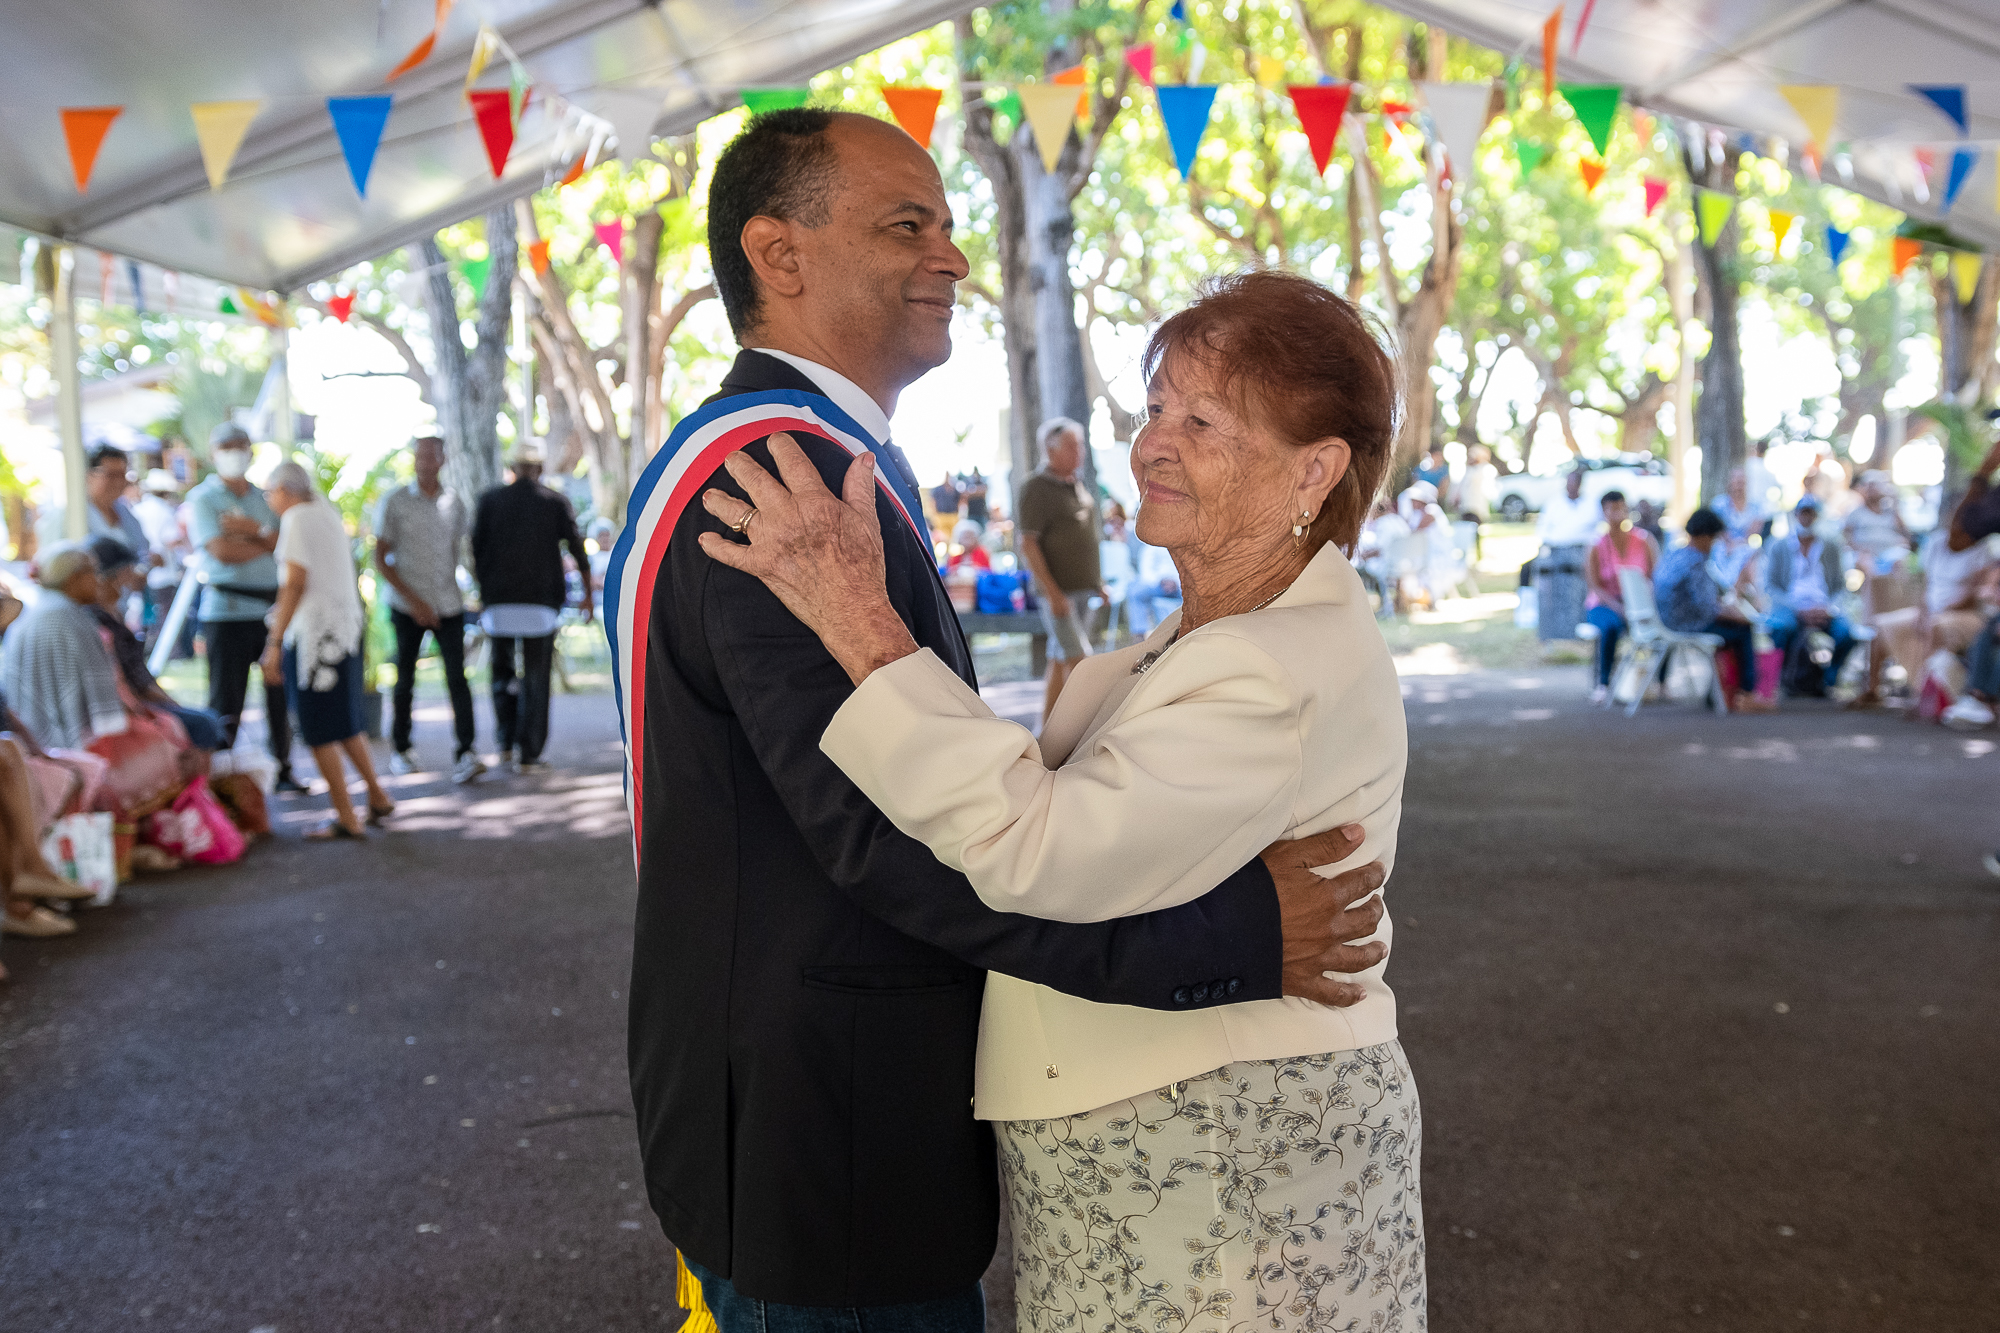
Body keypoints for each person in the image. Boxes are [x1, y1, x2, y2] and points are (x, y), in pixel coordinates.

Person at [607, 108, 1391, 1331]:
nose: (954, 256)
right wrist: (1228, 937)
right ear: (780, 254)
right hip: (828, 1132)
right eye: (906, 224)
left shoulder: (810, 462)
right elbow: (888, 842)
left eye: (949, 224)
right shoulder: (782, 481)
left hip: (822, 1113)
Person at [256, 461, 390, 841]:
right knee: (345, 721)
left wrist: (274, 643)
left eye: (270, 493)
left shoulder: (298, 518)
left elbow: (294, 583)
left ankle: (347, 815)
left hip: (317, 638)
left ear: (285, 490)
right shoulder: (326, 513)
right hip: (342, 631)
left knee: (318, 728)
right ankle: (376, 795)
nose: (270, 501)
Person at [187, 424, 303, 791]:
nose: (234, 452)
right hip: (226, 612)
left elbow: (288, 542)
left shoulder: (266, 497)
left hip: (270, 611)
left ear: (251, 451)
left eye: (241, 446)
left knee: (279, 697)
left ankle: (284, 769)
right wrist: (264, 540)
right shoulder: (203, 499)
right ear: (212, 452)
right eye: (226, 446)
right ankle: (221, 778)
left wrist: (248, 531)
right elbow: (220, 551)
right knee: (227, 702)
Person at [470, 443, 591, 775]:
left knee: (502, 674)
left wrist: (485, 590)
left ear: (513, 467)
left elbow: (475, 551)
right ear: (539, 469)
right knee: (537, 679)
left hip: (499, 603)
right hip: (540, 605)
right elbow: (578, 549)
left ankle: (506, 743)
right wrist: (587, 596)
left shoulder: (489, 501)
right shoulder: (554, 503)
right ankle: (530, 754)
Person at [375, 436, 482, 785]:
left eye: (432, 456)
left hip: (448, 604)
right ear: (413, 459)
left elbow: (463, 553)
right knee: (404, 679)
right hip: (407, 606)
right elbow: (382, 558)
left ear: (442, 460)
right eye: (420, 455)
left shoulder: (454, 503)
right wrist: (415, 601)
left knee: (457, 678)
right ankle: (402, 749)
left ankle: (467, 751)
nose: (425, 462)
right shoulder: (395, 501)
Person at [83, 537, 227, 754]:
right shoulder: (99, 622)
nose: (137, 576)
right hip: (128, 707)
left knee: (207, 720)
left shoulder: (113, 613)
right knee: (204, 724)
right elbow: (131, 686)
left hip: (136, 701)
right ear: (116, 574)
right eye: (130, 570)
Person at [1018, 417, 1105, 722]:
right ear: (1050, 450)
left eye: (1080, 444)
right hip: (1059, 594)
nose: (1078, 451)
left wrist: (1099, 582)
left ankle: (1048, 731)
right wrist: (1053, 594)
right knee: (1081, 662)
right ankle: (1086, 731)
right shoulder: (1036, 488)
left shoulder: (1075, 483)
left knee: (1059, 659)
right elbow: (1028, 544)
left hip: (1084, 590)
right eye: (1071, 445)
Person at [1654, 508, 1774, 713]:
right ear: (1705, 536)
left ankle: (1719, 693)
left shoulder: (1674, 554)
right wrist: (1742, 618)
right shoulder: (1695, 562)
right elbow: (1708, 608)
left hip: (1665, 620)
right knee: (1742, 631)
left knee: (1734, 627)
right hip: (1685, 624)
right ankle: (1746, 693)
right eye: (1714, 539)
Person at [1761, 496, 1858, 696]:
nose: (1807, 518)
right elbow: (1770, 587)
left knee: (1847, 634)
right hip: (1791, 607)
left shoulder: (1830, 545)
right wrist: (1797, 609)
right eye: (1803, 513)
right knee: (1783, 629)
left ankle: (1828, 679)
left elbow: (1841, 585)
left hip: (1824, 607)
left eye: (1811, 514)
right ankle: (1787, 680)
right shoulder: (1779, 546)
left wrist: (1830, 608)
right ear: (1796, 515)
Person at [1582, 490, 1661, 704]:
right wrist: (1617, 606)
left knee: (1665, 622)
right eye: (1612, 508)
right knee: (1610, 626)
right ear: (1603, 512)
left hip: (1640, 603)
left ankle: (1660, 683)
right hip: (1604, 603)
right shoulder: (1596, 545)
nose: (1617, 513)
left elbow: (1657, 577)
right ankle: (1604, 683)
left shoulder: (1644, 540)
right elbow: (1594, 586)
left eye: (1621, 507)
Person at [34, 442, 153, 561]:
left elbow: (142, 550)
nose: (118, 482)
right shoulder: (66, 515)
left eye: (122, 475)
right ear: (89, 475)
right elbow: (50, 564)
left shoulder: (125, 512)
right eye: (111, 475)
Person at [132, 469, 191, 650]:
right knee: (167, 614)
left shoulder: (138, 509)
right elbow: (171, 539)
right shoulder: (163, 511)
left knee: (148, 613)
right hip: (164, 573)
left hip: (144, 571)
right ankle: (171, 650)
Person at [1412, 442, 1451, 508]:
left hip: (1435, 502)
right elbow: (1414, 484)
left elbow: (1444, 489)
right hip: (1418, 501)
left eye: (1440, 456)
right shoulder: (1421, 469)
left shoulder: (1444, 471)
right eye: (1436, 455)